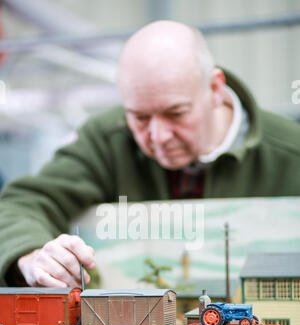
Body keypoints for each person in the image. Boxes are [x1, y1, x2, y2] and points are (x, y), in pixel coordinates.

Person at [0, 20, 300, 288]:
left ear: (215, 88)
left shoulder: (290, 152)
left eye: (176, 113)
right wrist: (30, 255)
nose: (158, 136)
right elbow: (24, 203)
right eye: (140, 117)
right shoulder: (107, 139)